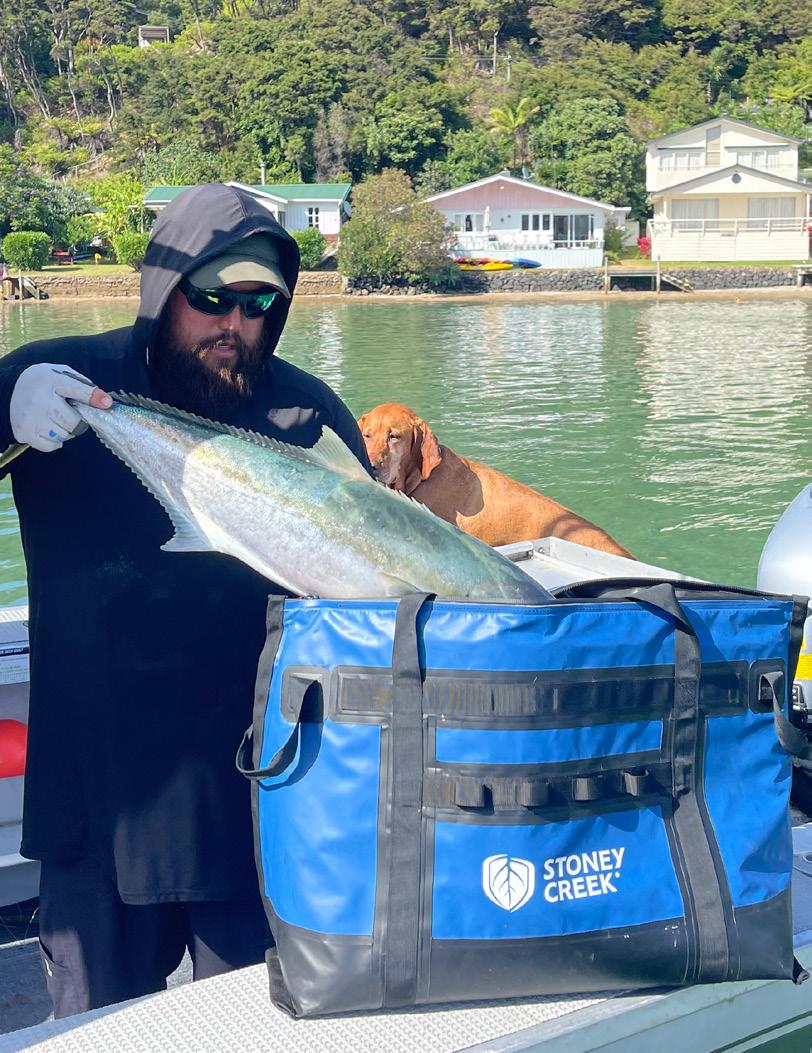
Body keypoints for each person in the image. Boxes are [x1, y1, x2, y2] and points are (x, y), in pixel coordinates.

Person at [0, 183, 371, 1018]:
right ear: (163, 288)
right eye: (211, 297)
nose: (233, 323)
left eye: (258, 304)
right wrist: (5, 409)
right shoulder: (62, 376)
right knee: (95, 1032)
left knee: (247, 1030)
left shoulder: (308, 418)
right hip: (94, 804)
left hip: (253, 802)